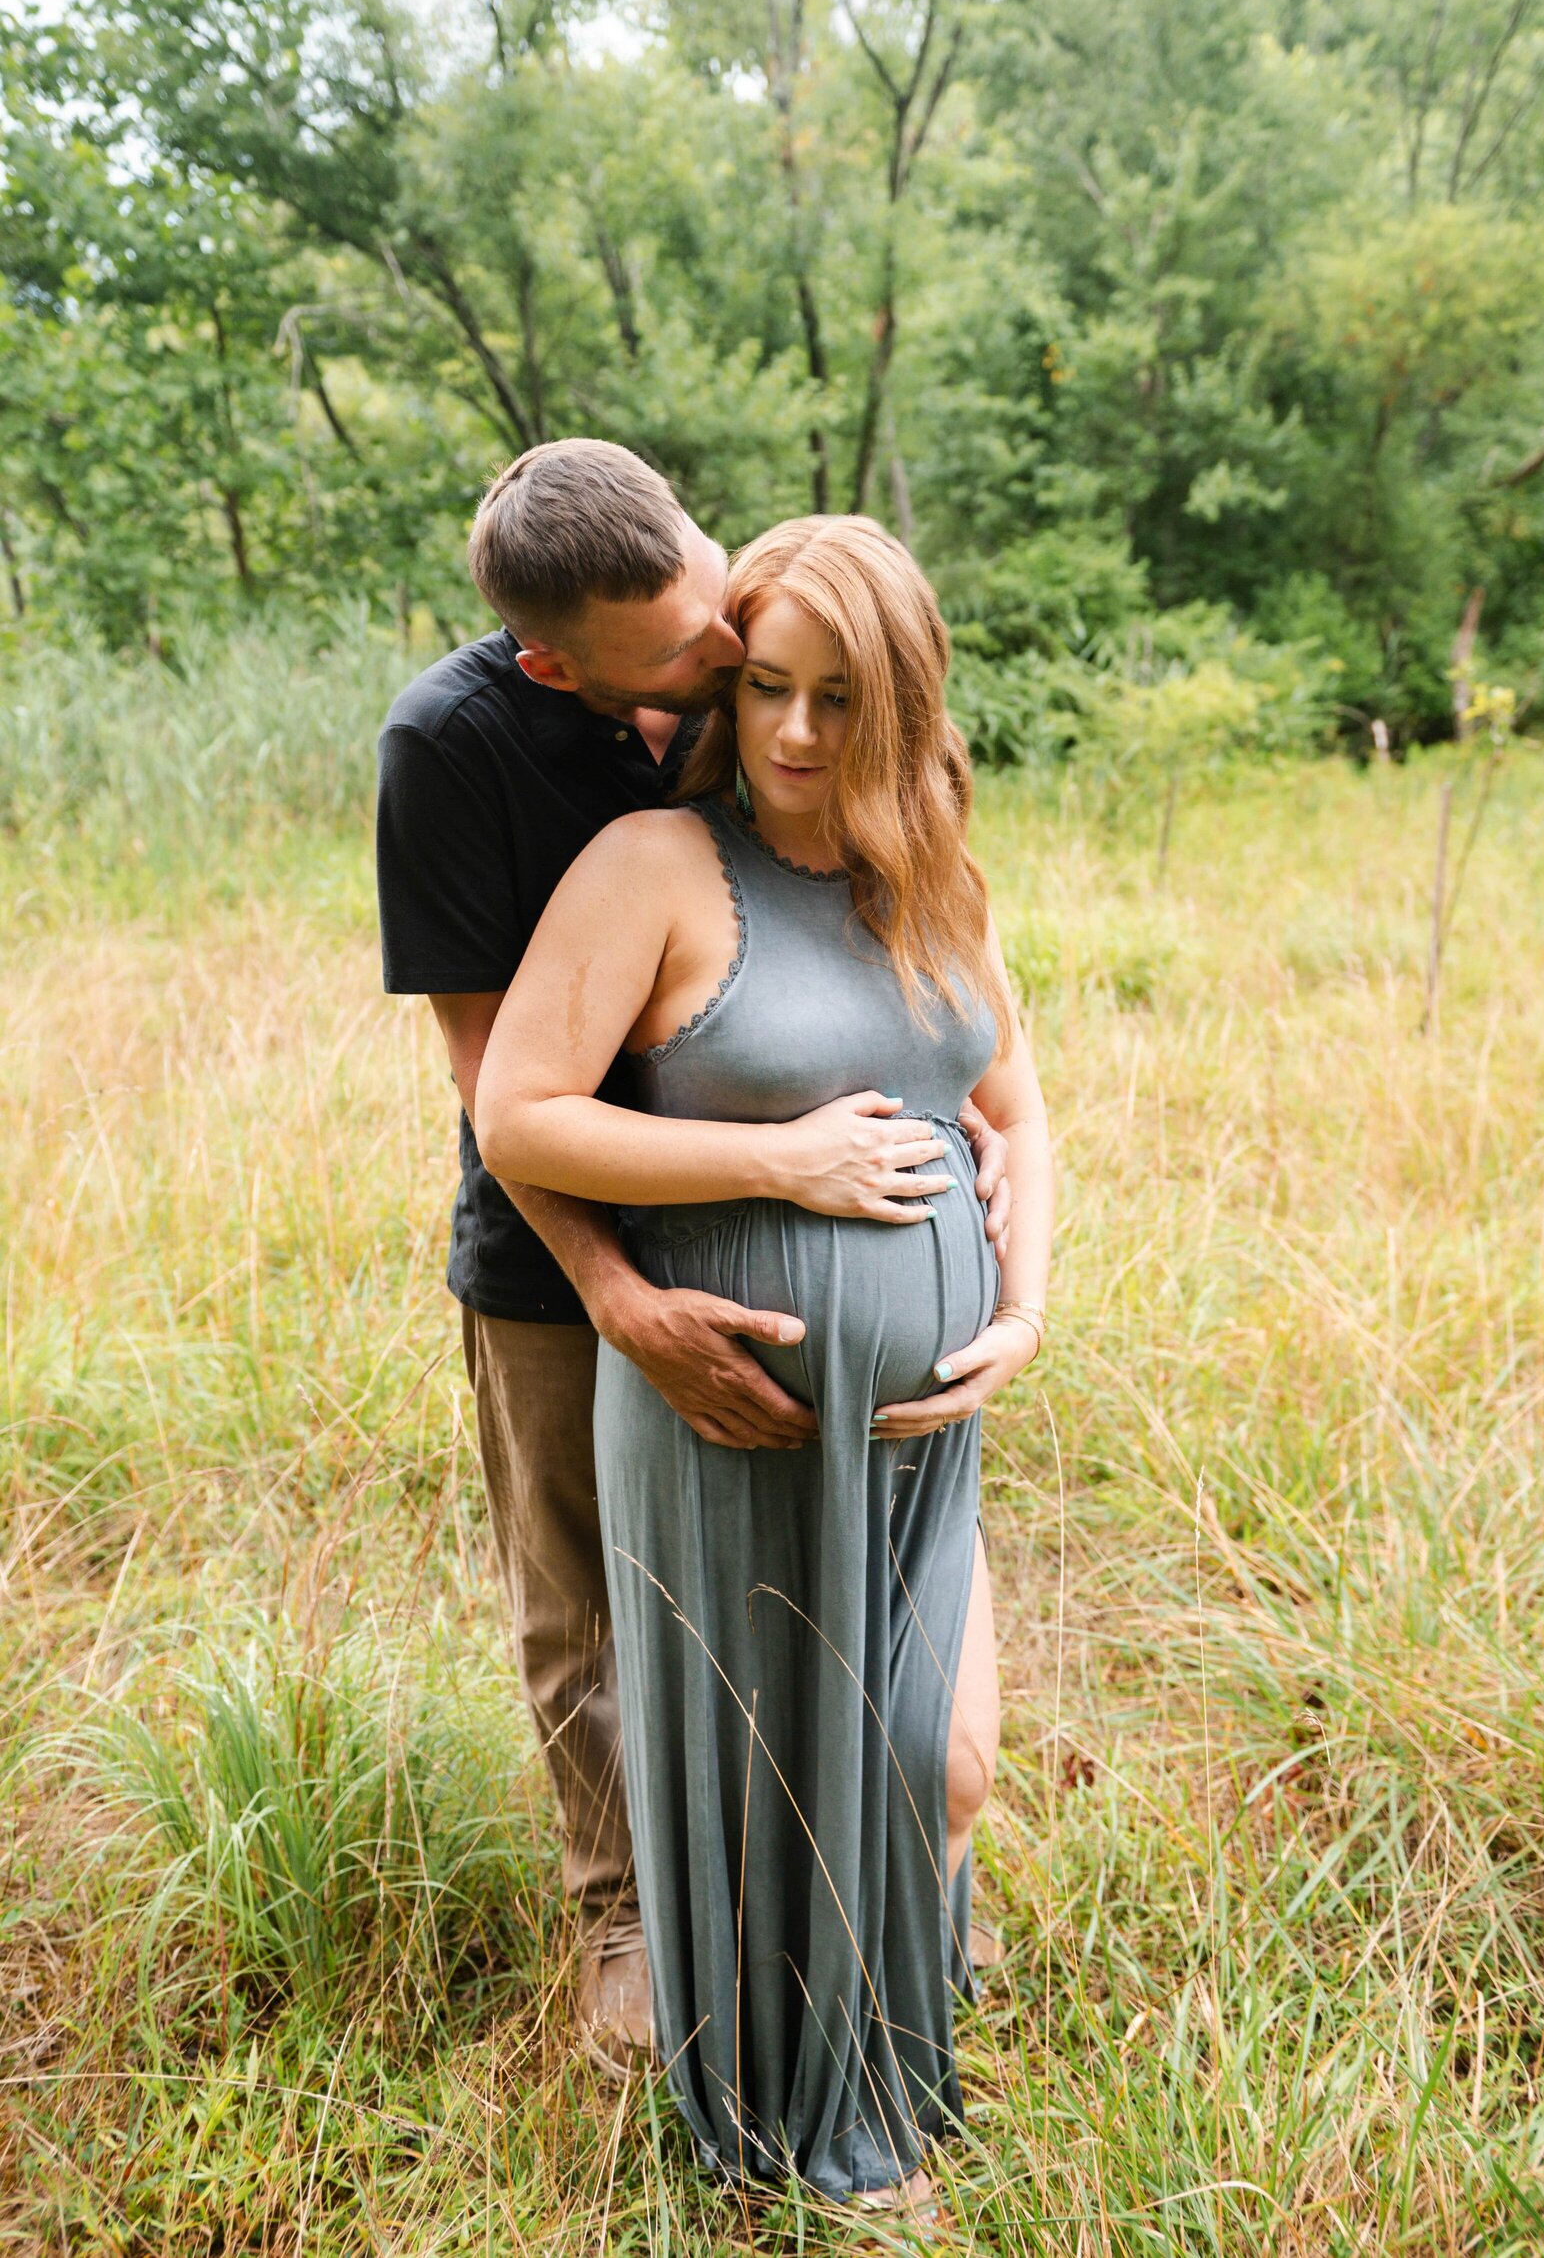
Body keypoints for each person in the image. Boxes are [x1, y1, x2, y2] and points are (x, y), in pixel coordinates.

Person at [375, 442, 1012, 2073]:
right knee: (587, 1603)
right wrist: (620, 1289)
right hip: (563, 1245)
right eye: (697, 662)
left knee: (875, 1682)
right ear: (560, 664)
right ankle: (629, 1917)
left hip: (842, 1334)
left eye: (717, 605)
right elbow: (498, 1093)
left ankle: (873, 1913)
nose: (731, 670)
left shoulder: (746, 650)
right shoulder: (460, 752)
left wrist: (991, 1214)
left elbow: (998, 1071)